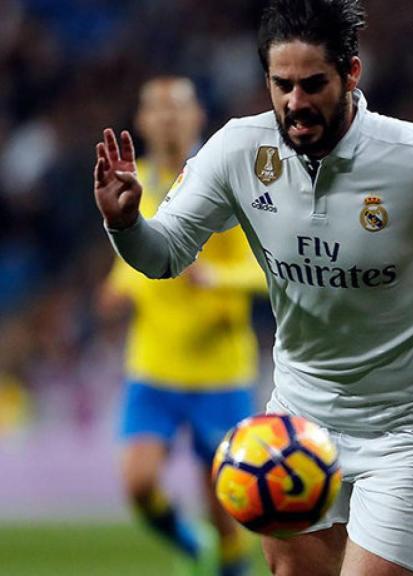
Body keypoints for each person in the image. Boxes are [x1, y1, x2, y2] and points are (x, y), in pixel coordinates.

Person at [93, 1, 413, 575]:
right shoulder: (237, 152)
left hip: (409, 425)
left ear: (351, 74)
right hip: (299, 416)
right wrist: (125, 224)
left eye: (313, 84)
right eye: (282, 85)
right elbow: (164, 254)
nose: (295, 103)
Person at [95, 76, 265, 576]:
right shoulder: (131, 182)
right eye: (157, 108)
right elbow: (135, 255)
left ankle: (228, 565)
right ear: (143, 121)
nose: (168, 117)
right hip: (154, 365)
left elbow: (262, 267)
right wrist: (117, 286)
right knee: (138, 483)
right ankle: (192, 548)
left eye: (179, 108)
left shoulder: (215, 181)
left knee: (224, 504)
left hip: (220, 371)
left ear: (198, 118)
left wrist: (218, 277)